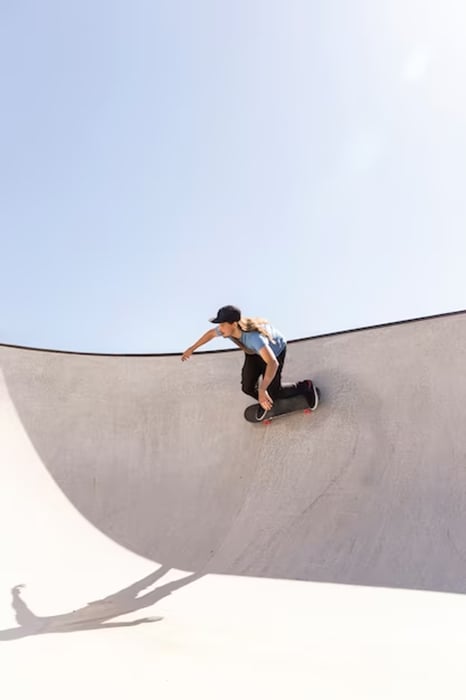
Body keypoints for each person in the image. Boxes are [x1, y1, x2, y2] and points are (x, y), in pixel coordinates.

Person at [182, 305, 319, 420]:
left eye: (222, 324)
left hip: (274, 352)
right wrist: (191, 348)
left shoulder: (254, 338)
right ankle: (265, 400)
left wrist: (262, 389)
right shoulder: (228, 330)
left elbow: (273, 363)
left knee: (274, 391)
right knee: (247, 387)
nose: (220, 328)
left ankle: (305, 386)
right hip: (253, 353)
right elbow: (210, 334)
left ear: (233, 324)